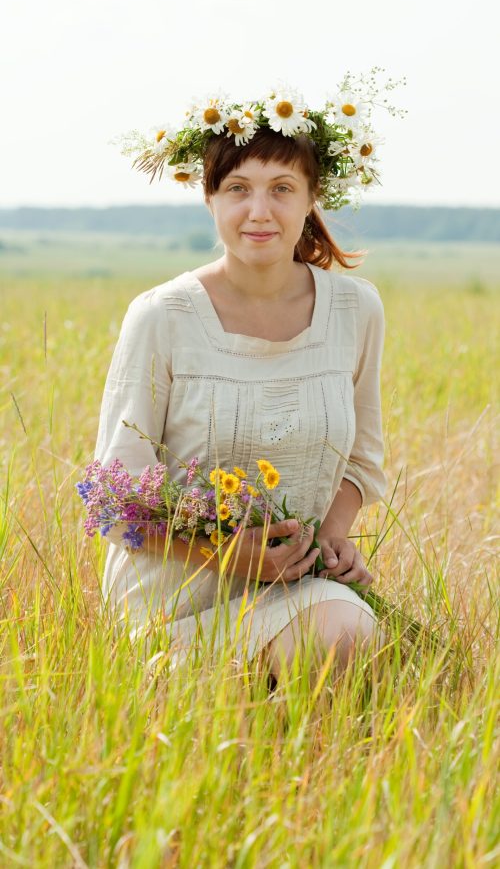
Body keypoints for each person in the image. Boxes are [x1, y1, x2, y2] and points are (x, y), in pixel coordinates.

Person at [95, 85, 389, 685]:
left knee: (349, 635)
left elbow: (361, 460)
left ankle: (290, 767)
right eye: (238, 190)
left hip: (300, 589)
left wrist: (330, 542)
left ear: (312, 199)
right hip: (174, 601)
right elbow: (113, 502)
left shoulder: (355, 309)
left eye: (282, 188)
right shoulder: (162, 316)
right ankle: (182, 697)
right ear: (209, 199)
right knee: (340, 638)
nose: (260, 211)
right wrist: (227, 552)